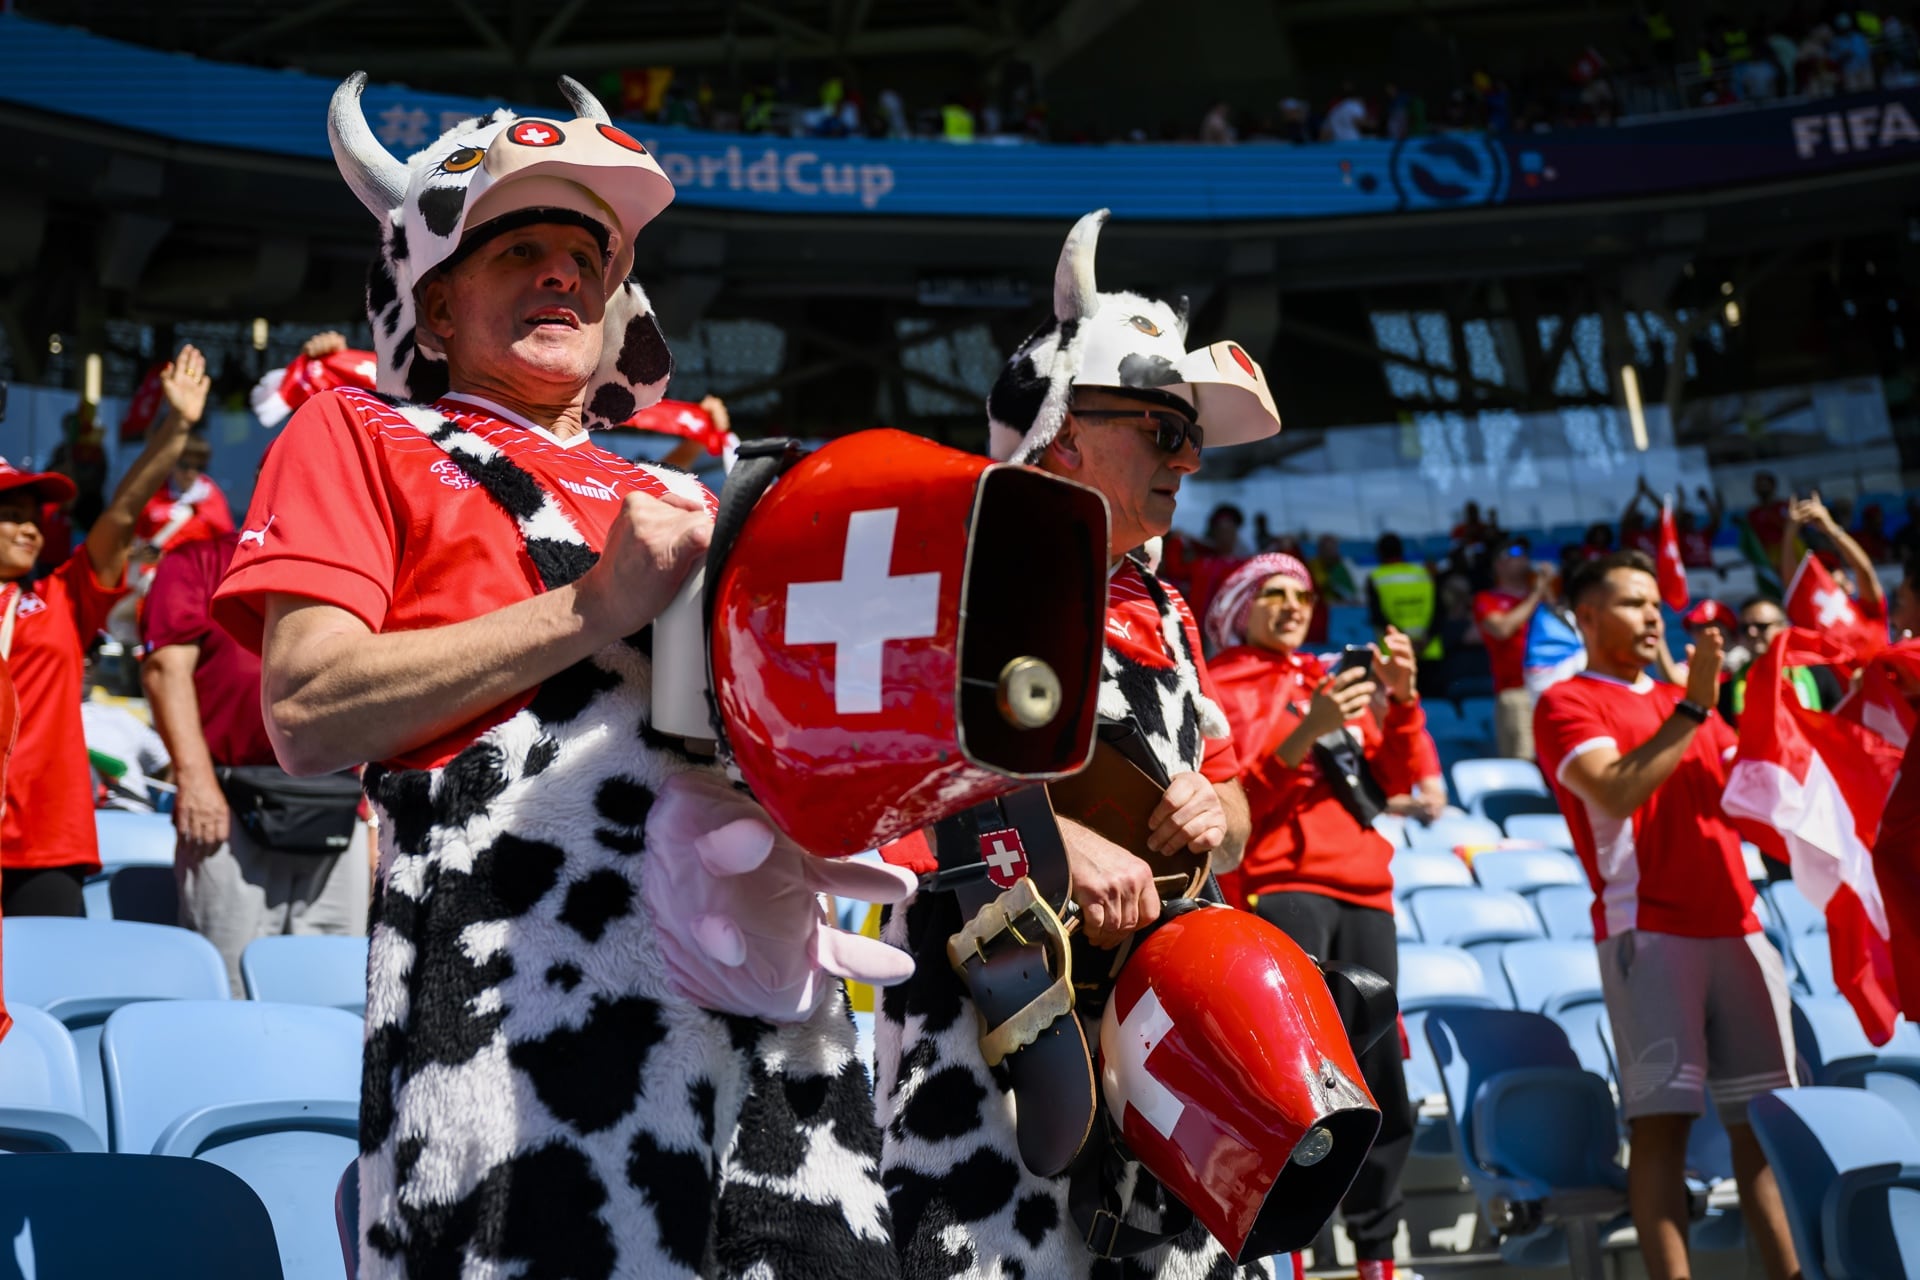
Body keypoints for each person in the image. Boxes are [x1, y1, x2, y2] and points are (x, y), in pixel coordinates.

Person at [214, 78, 911, 1278]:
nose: (560, 274)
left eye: (586, 255)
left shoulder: (696, 493)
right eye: (520, 247)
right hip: (522, 984)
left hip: (767, 986)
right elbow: (307, 711)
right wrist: (594, 606)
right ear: (433, 311)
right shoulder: (360, 433)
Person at [877, 208, 1275, 1279]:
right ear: (1061, 427)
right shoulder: (945, 570)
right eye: (1164, 427)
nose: (1189, 460)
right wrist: (1047, 835)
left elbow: (1236, 815)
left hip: (1157, 1025)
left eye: (1190, 435)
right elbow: (888, 782)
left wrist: (1212, 811)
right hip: (985, 1019)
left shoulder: (1173, 606)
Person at [1533, 551, 1801, 1280]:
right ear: (1586, 617)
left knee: (1765, 1133)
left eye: (1656, 603)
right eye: (1630, 603)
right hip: (1649, 935)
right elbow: (1615, 794)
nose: (1652, 615)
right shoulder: (1566, 703)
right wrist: (1693, 707)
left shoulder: (1694, 705)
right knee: (1661, 1131)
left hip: (1741, 930)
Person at [1205, 553, 1425, 1280]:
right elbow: (1236, 814)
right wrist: (1311, 727)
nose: (1291, 605)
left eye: (1300, 594)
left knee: (1375, 1076)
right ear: (1239, 604)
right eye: (1272, 593)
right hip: (1279, 887)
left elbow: (1402, 781)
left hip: (1365, 891)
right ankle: (1287, 1256)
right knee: (1295, 1082)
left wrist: (1405, 699)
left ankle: (1377, 1257)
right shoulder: (1219, 686)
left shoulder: (1329, 675)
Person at [0, 349, 205, 917]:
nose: (29, 528)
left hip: (44, 841)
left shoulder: (63, 596)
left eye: (34, 517)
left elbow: (121, 514)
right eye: (10, 514)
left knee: (48, 994)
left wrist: (175, 428)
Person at [144, 523, 369, 994]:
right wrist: (197, 783)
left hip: (337, 802)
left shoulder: (358, 559)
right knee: (228, 985)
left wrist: (372, 814)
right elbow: (166, 670)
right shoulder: (200, 560)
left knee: (336, 990)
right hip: (229, 803)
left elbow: (375, 682)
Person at [1473, 535, 1551, 758]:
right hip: (1517, 693)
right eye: (1515, 553)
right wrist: (1536, 594)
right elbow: (1502, 629)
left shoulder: (1542, 596)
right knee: (1523, 761)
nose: (1524, 558)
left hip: (1550, 689)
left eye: (1525, 552)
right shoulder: (1487, 599)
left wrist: (1546, 589)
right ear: (1499, 565)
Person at [134, 432, 233, 554]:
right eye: (185, 466)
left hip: (195, 570)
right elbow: (135, 539)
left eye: (198, 467)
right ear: (171, 463)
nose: (191, 473)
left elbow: (226, 545)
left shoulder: (212, 497)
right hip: (156, 571)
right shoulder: (153, 494)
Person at [1366, 532, 1439, 664]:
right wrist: (1427, 638)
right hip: (1428, 648)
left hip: (1395, 652)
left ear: (1380, 553)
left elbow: (1378, 617)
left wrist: (1405, 641)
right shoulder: (1422, 573)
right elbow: (1439, 609)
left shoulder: (1376, 577)